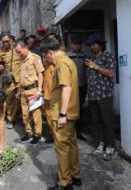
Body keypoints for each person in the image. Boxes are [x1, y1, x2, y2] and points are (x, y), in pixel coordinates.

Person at [43, 39, 81, 190]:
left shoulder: (61, 63)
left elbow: (66, 88)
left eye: (45, 56)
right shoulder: (68, 61)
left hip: (63, 113)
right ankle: (75, 176)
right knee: (71, 145)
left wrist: (62, 114)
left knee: (62, 148)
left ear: (50, 53)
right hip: (70, 111)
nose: (46, 59)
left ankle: (65, 182)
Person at [85, 33, 116, 161]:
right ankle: (101, 144)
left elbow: (111, 73)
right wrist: (87, 95)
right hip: (93, 96)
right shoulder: (91, 58)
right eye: (91, 45)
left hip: (104, 95)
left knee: (107, 122)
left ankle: (110, 146)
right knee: (97, 122)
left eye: (94, 44)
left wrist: (96, 66)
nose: (92, 46)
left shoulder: (108, 56)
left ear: (100, 44)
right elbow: (89, 78)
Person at [15, 40, 44, 144]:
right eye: (17, 52)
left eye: (19, 51)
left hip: (33, 90)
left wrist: (40, 89)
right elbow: (21, 77)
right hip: (23, 91)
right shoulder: (21, 60)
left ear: (25, 48)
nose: (18, 54)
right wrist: (19, 91)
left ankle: (37, 134)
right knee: (25, 115)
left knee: (36, 115)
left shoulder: (35, 58)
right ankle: (28, 132)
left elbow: (40, 74)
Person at [0, 32, 21, 129]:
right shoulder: (0, 51)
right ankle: (10, 119)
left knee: (21, 99)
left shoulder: (18, 47)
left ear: (11, 39)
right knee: (9, 99)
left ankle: (22, 117)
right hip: (9, 79)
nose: (6, 43)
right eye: (3, 42)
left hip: (20, 78)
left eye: (7, 41)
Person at [67, 36, 87, 141]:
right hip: (70, 87)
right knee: (70, 109)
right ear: (71, 44)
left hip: (82, 86)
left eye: (78, 44)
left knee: (80, 109)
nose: (76, 46)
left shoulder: (84, 55)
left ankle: (78, 132)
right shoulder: (67, 56)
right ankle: (70, 132)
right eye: (74, 44)